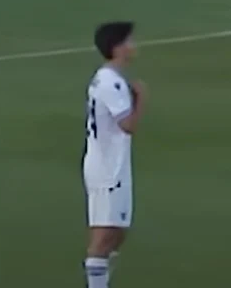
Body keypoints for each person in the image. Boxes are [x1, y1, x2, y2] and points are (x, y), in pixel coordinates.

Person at [84, 21, 146, 288]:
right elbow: (127, 125)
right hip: (107, 168)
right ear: (117, 47)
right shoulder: (111, 82)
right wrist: (141, 100)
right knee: (104, 236)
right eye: (129, 41)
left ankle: (99, 278)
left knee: (117, 233)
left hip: (111, 165)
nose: (134, 45)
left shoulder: (109, 79)